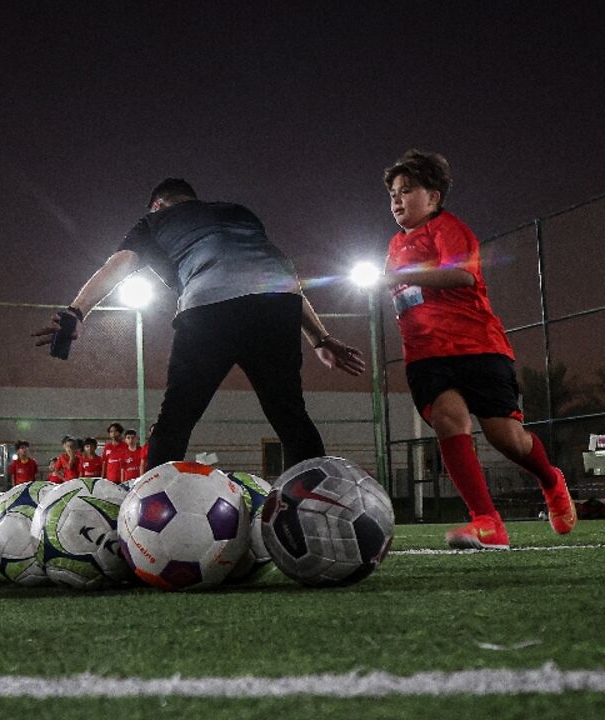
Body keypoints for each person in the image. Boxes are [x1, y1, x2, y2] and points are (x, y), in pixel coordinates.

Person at [35, 178, 365, 471]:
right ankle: (315, 514)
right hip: (278, 304)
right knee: (290, 415)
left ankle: (148, 522)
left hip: (210, 307)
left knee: (174, 422)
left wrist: (77, 312)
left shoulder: (153, 221)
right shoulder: (239, 211)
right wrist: (320, 337)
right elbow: (279, 275)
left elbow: (118, 265)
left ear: (157, 205)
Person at [378, 150, 575, 549]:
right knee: (449, 420)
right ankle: (487, 523)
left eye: (407, 190)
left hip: (477, 347)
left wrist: (404, 275)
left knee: (508, 439)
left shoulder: (448, 228)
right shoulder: (394, 245)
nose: (397, 200)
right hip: (426, 355)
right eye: (393, 194)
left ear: (433, 198)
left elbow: (462, 275)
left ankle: (551, 480)